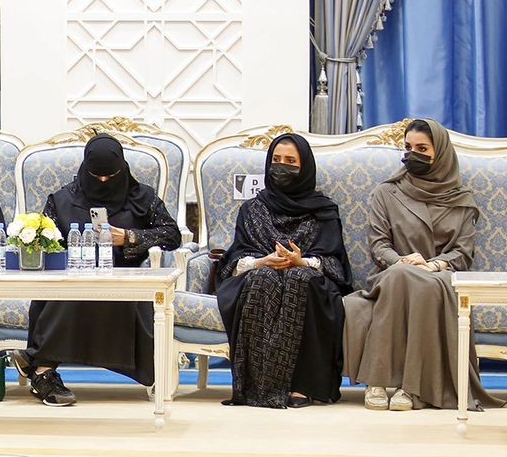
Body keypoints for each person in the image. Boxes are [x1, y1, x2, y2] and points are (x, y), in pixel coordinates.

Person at [343, 118, 503, 411]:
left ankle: (403, 386)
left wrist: (433, 265)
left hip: (440, 277)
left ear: (439, 152)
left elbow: (462, 253)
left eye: (422, 149)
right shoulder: (386, 193)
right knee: (401, 275)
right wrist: (403, 261)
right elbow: (379, 245)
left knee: (416, 282)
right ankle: (392, 383)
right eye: (408, 147)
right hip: (391, 274)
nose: (412, 154)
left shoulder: (461, 200)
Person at [10, 135, 181, 406]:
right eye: (95, 176)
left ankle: (37, 362)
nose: (103, 181)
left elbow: (172, 235)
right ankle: (44, 371)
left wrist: (130, 237)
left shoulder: (143, 197)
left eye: (110, 176)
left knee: (95, 293)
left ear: (122, 169)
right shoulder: (62, 199)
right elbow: (49, 243)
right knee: (69, 292)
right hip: (72, 278)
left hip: (126, 279)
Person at [216, 133, 352, 408]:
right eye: (276, 160)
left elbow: (334, 262)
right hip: (259, 275)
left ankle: (303, 386)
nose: (281, 167)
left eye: (290, 162)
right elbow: (235, 258)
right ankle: (259, 386)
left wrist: (303, 261)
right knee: (263, 277)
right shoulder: (252, 209)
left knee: (300, 278)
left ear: (305, 167)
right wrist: (262, 261)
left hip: (309, 278)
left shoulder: (324, 211)